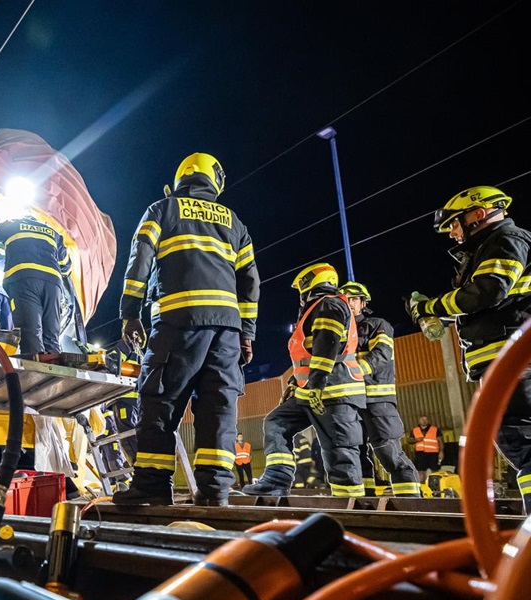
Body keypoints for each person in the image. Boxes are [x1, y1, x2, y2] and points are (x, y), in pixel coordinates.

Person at [409, 185, 531, 513]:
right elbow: (488, 305)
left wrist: (433, 308)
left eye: (455, 224)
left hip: (518, 355)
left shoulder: (507, 241)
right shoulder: (493, 247)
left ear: (478, 214)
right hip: (509, 357)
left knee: (525, 436)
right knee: (518, 435)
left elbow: (486, 293)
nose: (453, 233)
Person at [112, 152, 259, 507]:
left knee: (160, 401)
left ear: (181, 179)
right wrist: (247, 332)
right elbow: (250, 281)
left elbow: (140, 259)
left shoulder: (163, 209)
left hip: (178, 325)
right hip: (226, 332)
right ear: (215, 181)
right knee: (218, 408)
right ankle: (213, 492)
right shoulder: (234, 222)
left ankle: (152, 486)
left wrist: (130, 313)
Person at [244, 262, 365, 498]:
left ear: (312, 284)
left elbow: (326, 346)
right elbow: (307, 357)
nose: (300, 295)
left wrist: (315, 386)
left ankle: (352, 509)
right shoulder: (319, 308)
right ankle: (277, 479)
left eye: (302, 288)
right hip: (311, 391)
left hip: (333, 392)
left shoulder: (329, 305)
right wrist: (293, 383)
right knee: (276, 423)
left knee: (339, 452)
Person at [340, 282, 421, 497]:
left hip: (377, 399)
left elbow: (382, 354)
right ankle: (365, 501)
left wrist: (354, 372)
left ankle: (411, 501)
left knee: (387, 450)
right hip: (350, 401)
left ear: (363, 303)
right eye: (344, 299)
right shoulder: (339, 333)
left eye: (353, 299)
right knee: (355, 452)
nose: (348, 303)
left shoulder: (378, 325)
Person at [0, 213, 73, 358]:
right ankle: (53, 370)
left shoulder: (13, 224)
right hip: (53, 284)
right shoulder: (53, 232)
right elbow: (67, 266)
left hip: (24, 280)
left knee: (31, 332)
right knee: (51, 335)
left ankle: (36, 373)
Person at [98, 338, 142, 486]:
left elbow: (110, 363)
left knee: (127, 438)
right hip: (132, 399)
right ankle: (139, 475)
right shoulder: (138, 351)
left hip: (124, 399)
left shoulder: (125, 347)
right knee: (130, 437)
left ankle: (139, 476)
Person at [410, 416, 442, 483]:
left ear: (428, 420)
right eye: (422, 419)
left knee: (435, 470)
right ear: (419, 420)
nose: (424, 421)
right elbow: (409, 441)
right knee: (421, 471)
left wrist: (441, 452)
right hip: (420, 453)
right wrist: (416, 440)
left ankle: (436, 485)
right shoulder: (414, 430)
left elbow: (441, 441)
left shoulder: (435, 429)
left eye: (425, 419)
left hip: (433, 453)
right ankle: (422, 487)